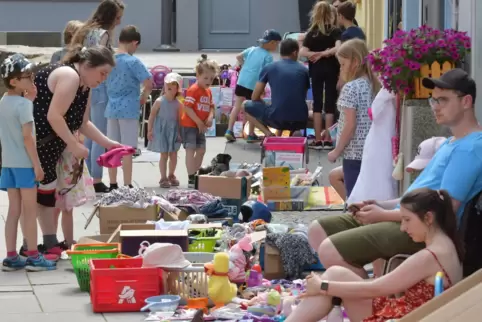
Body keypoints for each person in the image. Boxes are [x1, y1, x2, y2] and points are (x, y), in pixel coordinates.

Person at [308, 68, 482, 279]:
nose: (435, 107)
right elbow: (421, 194)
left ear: (466, 102)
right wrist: (383, 204)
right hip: (404, 217)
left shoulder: (471, 148)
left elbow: (444, 209)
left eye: (443, 100)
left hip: (423, 230)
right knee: (317, 230)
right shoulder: (451, 142)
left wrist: (382, 215)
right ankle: (368, 297)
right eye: (433, 101)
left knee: (329, 249)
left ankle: (369, 303)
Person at [287, 188, 463, 322]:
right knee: (335, 273)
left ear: (428, 218)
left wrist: (323, 286)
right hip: (405, 312)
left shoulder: (429, 256)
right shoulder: (446, 245)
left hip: (399, 316)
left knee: (331, 280)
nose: (402, 227)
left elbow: (377, 288)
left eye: (407, 220)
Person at [22, 45, 119, 260]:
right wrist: (74, 146)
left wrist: (109, 143)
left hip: (48, 145)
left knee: (45, 196)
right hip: (36, 143)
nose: (103, 79)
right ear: (87, 65)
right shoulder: (70, 76)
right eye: (102, 73)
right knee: (34, 197)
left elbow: (83, 123)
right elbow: (54, 116)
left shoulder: (85, 85)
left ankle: (45, 244)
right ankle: (34, 246)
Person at [0, 54, 56, 271]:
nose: (31, 80)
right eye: (27, 77)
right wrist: (37, 165)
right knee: (30, 211)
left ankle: (11, 256)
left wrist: (29, 101)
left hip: (8, 165)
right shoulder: (23, 105)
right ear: (14, 80)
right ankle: (33, 255)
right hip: (25, 165)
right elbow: (27, 137)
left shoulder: (4, 102)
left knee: (13, 211)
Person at [72, 0, 125, 193]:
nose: (118, 22)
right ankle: (95, 178)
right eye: (117, 17)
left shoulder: (85, 30)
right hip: (97, 86)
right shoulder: (102, 35)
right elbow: (101, 61)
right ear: (110, 16)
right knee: (97, 132)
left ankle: (83, 175)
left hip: (83, 82)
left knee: (85, 131)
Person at [326, 39, 378, 200]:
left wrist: (337, 150)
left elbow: (350, 124)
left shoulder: (351, 88)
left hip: (354, 152)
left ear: (355, 62)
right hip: (371, 150)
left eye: (342, 64)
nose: (340, 69)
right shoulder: (374, 85)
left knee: (356, 198)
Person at [105, 25, 153, 190]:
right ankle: (127, 183)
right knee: (127, 148)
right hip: (129, 107)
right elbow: (148, 82)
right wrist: (143, 97)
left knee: (112, 146)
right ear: (134, 42)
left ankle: (112, 183)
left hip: (111, 107)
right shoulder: (133, 61)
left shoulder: (109, 59)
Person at [242, 38, 310, 138]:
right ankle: (294, 131)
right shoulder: (304, 70)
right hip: (300, 119)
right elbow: (299, 96)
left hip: (277, 118)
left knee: (244, 105)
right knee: (286, 106)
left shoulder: (269, 67)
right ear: (295, 52)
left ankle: (268, 134)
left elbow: (254, 97)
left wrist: (265, 103)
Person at [225, 29, 281, 143]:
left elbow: (239, 56)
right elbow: (267, 74)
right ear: (272, 43)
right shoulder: (268, 57)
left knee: (237, 106)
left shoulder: (251, 49)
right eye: (277, 44)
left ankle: (229, 130)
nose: (277, 47)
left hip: (241, 81)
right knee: (252, 109)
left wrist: (243, 65)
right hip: (254, 86)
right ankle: (251, 134)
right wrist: (265, 88)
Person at [300, 1, 342, 150]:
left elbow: (302, 52)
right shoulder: (335, 31)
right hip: (331, 69)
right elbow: (338, 48)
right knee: (330, 103)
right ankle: (329, 139)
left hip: (316, 70)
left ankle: (317, 139)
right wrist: (325, 53)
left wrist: (315, 55)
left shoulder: (312, 33)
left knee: (317, 103)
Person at [347, 88, 396, 205]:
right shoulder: (387, 92)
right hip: (384, 137)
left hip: (378, 138)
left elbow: (374, 111)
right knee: (381, 172)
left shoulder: (385, 91)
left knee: (373, 173)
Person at [181, 54, 219, 188]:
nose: (209, 81)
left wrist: (209, 118)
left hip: (201, 126)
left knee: (201, 150)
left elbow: (211, 107)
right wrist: (198, 122)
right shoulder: (194, 90)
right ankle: (191, 176)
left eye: (211, 78)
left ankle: (195, 172)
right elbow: (187, 107)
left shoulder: (207, 91)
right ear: (198, 76)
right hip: (190, 124)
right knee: (190, 149)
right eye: (206, 78)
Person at [147, 72, 183, 188]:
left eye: (173, 85)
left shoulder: (178, 104)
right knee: (164, 154)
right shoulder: (159, 101)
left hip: (173, 131)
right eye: (168, 85)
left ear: (177, 89)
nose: (170, 87)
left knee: (173, 154)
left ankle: (171, 174)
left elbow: (179, 120)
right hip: (162, 131)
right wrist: (150, 130)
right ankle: (163, 177)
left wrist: (179, 133)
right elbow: (152, 116)